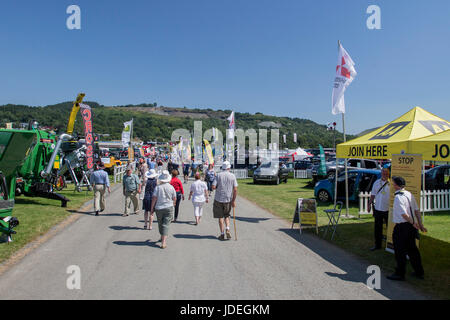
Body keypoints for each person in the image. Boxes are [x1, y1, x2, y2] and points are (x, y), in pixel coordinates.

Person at [387, 176, 427, 281]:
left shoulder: (398, 197)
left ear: (396, 185)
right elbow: (416, 210)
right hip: (410, 227)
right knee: (412, 250)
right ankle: (419, 271)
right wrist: (419, 224)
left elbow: (404, 214)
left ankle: (400, 273)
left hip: (402, 227)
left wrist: (414, 223)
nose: (392, 185)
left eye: (393, 183)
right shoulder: (409, 194)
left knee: (400, 251)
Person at [212, 161, 238, 240]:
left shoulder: (218, 175)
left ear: (222, 167)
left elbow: (213, 186)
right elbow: (235, 189)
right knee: (227, 215)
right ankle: (227, 228)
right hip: (228, 199)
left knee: (220, 217)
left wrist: (218, 188)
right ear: (229, 168)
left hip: (218, 199)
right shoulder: (232, 176)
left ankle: (222, 233)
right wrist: (233, 200)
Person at [151, 170, 177, 249]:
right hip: (169, 207)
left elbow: (154, 198)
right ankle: (163, 239)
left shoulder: (158, 187)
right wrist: (174, 204)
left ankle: (163, 239)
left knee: (160, 223)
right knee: (166, 224)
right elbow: (174, 198)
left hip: (159, 208)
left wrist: (152, 208)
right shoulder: (171, 187)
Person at [368, 168, 390, 251]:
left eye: (386, 173)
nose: (384, 174)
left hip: (387, 210)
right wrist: (369, 204)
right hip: (378, 209)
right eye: (383, 173)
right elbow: (373, 195)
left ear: (388, 174)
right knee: (377, 228)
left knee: (389, 228)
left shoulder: (391, 184)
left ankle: (390, 245)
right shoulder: (376, 182)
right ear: (381, 173)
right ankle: (377, 245)